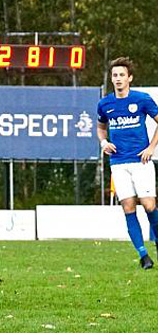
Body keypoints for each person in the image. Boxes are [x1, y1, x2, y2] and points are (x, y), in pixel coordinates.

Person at [97, 57, 158, 269]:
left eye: (122, 75)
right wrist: (104, 142)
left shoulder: (142, 99)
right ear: (111, 79)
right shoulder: (105, 104)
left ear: (129, 78)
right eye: (115, 75)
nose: (118, 79)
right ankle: (143, 256)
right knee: (128, 207)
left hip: (141, 161)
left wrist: (151, 147)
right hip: (118, 163)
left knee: (150, 205)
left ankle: (157, 242)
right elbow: (100, 127)